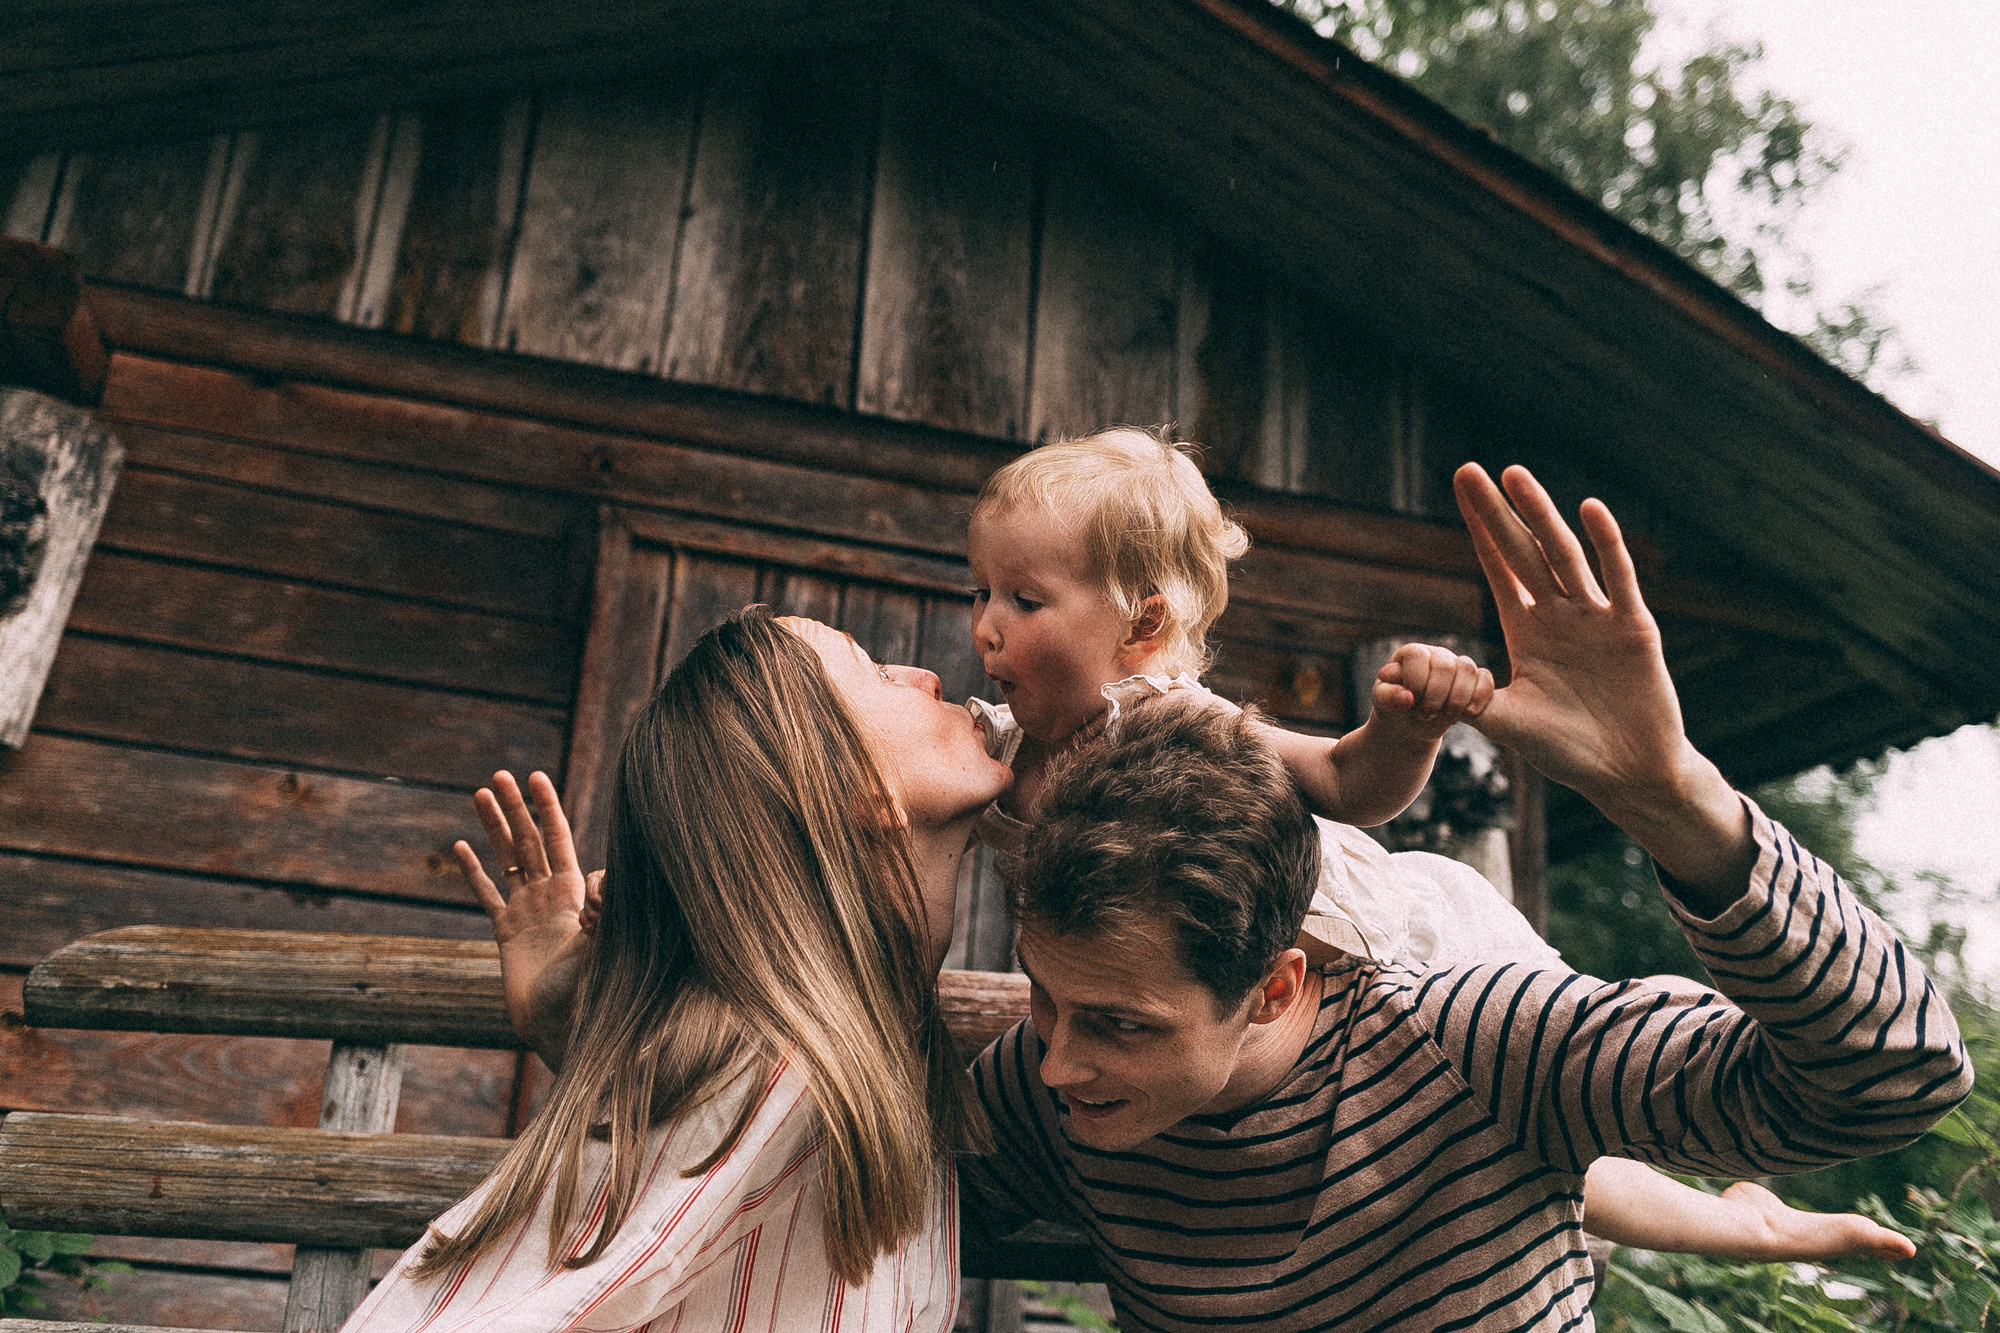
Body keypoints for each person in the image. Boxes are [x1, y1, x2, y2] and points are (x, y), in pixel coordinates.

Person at [961, 463, 1970, 1331]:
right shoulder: (1046, 1092)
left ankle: (1741, 1216)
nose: (1052, 1060)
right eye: (1044, 999)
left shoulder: (1477, 1047)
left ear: (1272, 988)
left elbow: (1892, 1076)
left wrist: (1672, 801)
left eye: (1115, 1023)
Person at [340, 609, 1011, 1333]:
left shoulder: (866, 1048)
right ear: (857, 787)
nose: (928, 674)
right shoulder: (777, 1067)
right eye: (878, 673)